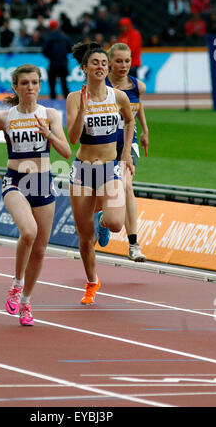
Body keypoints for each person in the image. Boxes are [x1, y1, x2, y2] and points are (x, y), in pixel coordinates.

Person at [0, 64, 71, 326]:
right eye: (25, 83)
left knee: (40, 251)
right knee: (28, 232)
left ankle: (27, 303)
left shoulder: (50, 114)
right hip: (15, 181)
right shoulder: (5, 117)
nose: (30, 87)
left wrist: (49, 133)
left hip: (43, 182)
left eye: (34, 82)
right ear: (15, 87)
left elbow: (66, 152)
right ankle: (16, 284)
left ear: (40, 86)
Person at [66, 42, 135, 305]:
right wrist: (83, 109)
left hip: (109, 169)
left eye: (104, 64)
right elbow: (72, 139)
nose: (101, 67)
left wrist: (126, 152)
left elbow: (130, 121)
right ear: (84, 68)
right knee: (84, 237)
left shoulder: (118, 96)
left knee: (116, 221)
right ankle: (92, 283)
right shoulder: (74, 98)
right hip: (83, 170)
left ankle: (103, 222)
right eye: (95, 63)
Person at [106, 43, 149, 262]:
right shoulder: (100, 85)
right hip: (103, 146)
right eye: (119, 61)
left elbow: (138, 106)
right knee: (103, 195)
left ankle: (134, 245)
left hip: (127, 144)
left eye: (127, 61)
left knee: (126, 185)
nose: (124, 65)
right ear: (110, 62)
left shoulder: (136, 86)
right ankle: (104, 222)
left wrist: (145, 131)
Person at [43, 20, 72, 99]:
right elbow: (70, 49)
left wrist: (52, 56)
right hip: (63, 63)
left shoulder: (49, 38)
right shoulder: (65, 37)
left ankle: (53, 102)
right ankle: (67, 101)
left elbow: (45, 51)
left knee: (52, 84)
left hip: (53, 64)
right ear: (57, 27)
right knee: (64, 84)